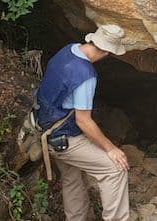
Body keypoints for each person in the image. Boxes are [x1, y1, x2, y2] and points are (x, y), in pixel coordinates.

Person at [35, 24, 131, 221]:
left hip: (42, 128)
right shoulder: (85, 75)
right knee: (114, 170)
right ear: (107, 51)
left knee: (72, 175)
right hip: (63, 139)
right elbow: (84, 121)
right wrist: (111, 148)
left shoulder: (68, 50)